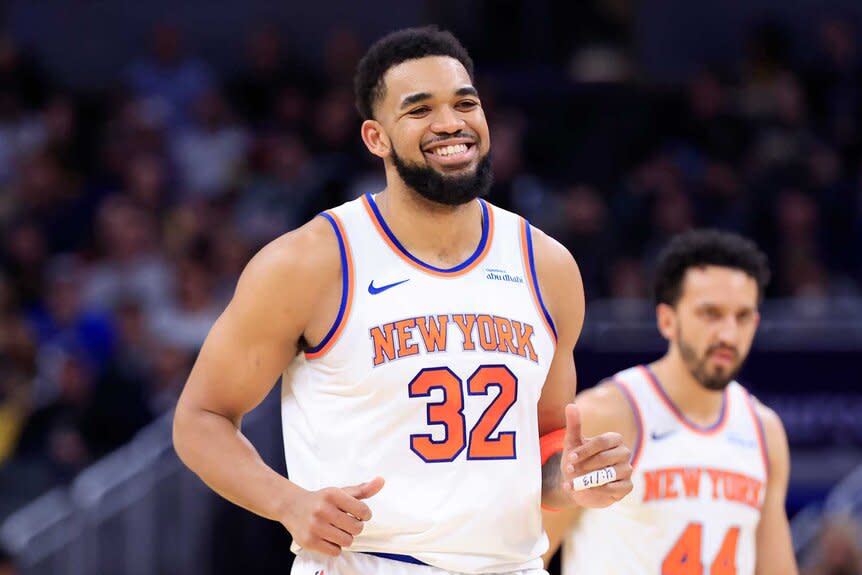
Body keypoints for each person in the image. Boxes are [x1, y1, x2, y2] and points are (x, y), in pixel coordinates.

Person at [172, 26, 633, 575]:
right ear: (376, 137)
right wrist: (288, 503)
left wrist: (577, 478)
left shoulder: (548, 266)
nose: (450, 123)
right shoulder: (310, 262)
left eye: (466, 103)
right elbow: (200, 419)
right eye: (419, 110)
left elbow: (547, 449)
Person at [543, 229, 799, 575]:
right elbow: (529, 555)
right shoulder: (609, 413)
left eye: (741, 317)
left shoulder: (765, 431)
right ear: (667, 319)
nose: (728, 334)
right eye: (710, 313)